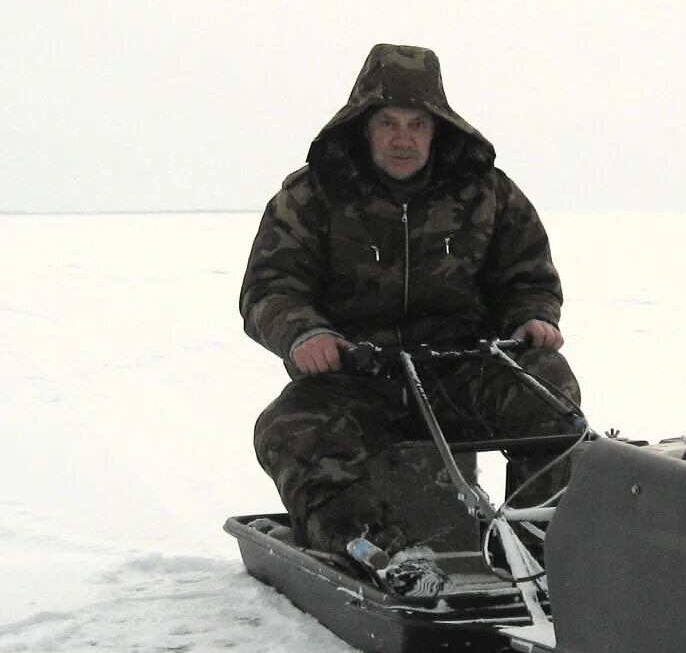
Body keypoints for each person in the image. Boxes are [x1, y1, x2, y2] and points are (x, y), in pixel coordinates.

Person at [241, 43, 579, 595]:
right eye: (389, 123)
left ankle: (534, 549)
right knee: (287, 429)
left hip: (460, 372)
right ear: (363, 127)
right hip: (356, 377)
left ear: (437, 128)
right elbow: (270, 287)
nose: (403, 138)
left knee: (550, 389)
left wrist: (532, 319)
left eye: (417, 124)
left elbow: (527, 276)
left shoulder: (486, 192)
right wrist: (304, 332)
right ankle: (380, 554)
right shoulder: (310, 195)